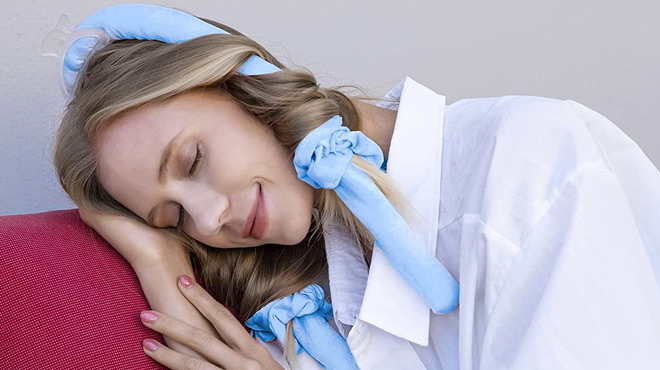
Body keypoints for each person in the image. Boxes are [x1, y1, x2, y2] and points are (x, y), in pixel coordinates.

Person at [48, 4, 660, 370]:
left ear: (241, 82)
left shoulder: (528, 162)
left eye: (194, 159)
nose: (208, 222)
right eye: (174, 218)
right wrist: (156, 258)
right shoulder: (309, 294)